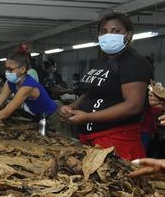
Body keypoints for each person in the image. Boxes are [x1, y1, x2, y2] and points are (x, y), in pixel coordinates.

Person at [59, 13, 151, 161]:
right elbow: (92, 92)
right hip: (92, 139)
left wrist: (88, 117)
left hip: (117, 142)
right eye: (104, 31)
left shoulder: (133, 62)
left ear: (128, 35)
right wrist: (72, 106)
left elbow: (133, 106)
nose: (109, 35)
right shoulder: (103, 61)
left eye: (116, 31)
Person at [0, 53, 70, 136]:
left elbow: (5, 113)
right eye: (6, 69)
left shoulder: (28, 86)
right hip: (40, 116)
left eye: (10, 69)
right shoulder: (9, 83)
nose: (7, 72)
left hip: (55, 116)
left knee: (64, 143)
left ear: (22, 69)